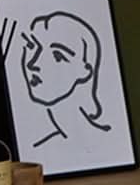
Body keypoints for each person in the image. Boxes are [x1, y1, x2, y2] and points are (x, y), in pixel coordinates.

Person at [20, 11, 112, 148]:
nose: (33, 63)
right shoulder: (44, 148)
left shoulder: (108, 144)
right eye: (32, 46)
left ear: (85, 71)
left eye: (57, 55)